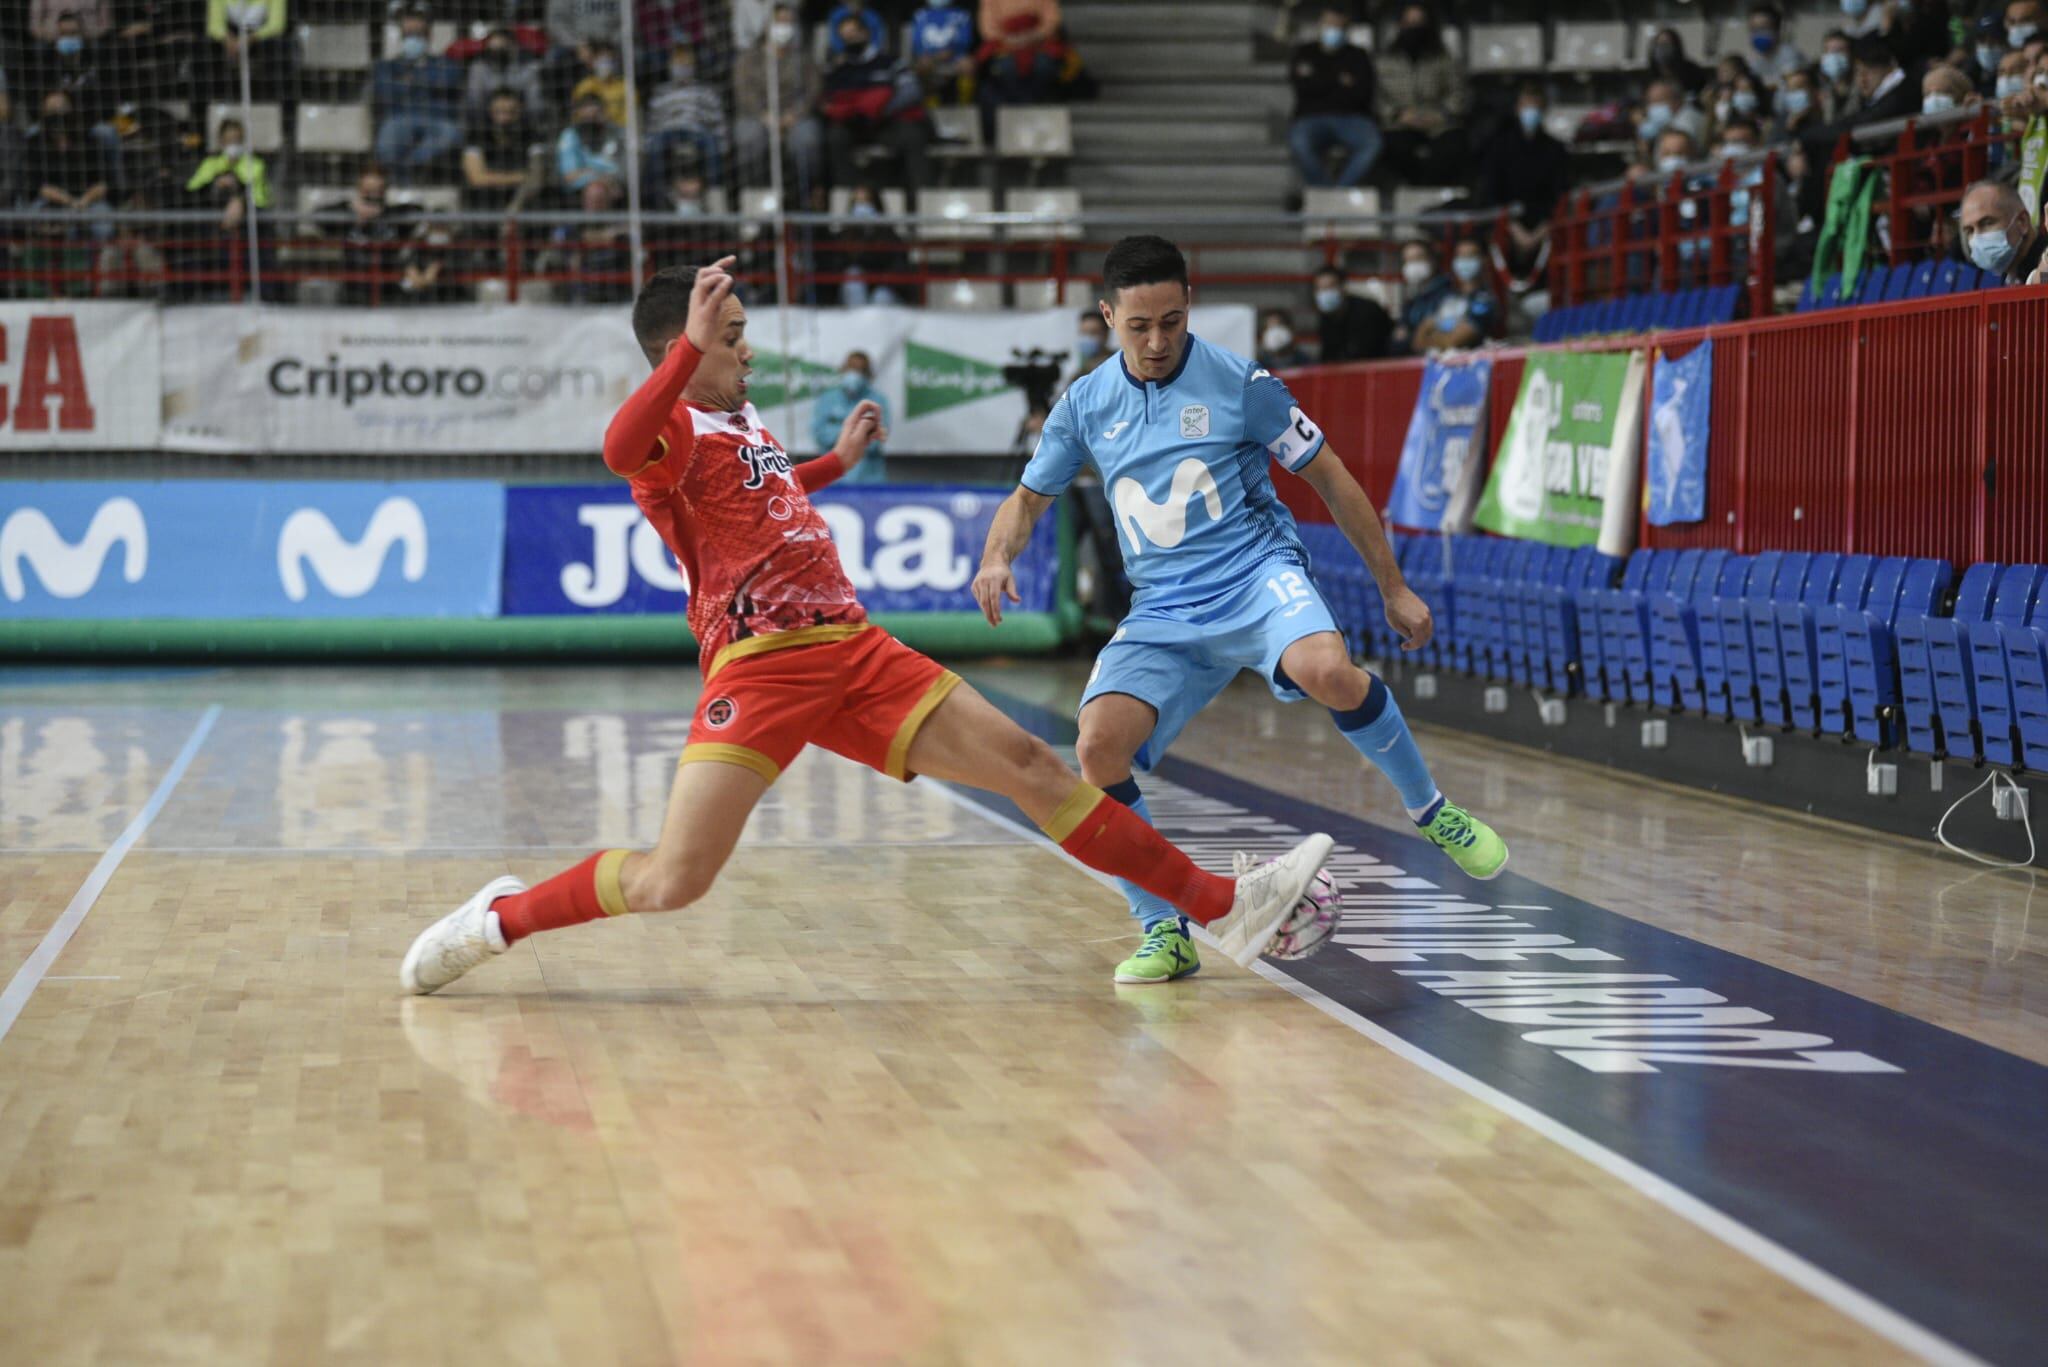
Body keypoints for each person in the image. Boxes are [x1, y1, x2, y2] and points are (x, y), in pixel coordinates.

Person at [399, 257, 1337, 994]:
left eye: (738, 335)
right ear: (679, 351)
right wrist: (686, 353)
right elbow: (614, 449)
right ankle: (503, 917)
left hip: (852, 648)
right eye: (729, 338)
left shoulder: (740, 419)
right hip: (759, 667)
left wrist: (834, 466)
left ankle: (1225, 907)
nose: (746, 350)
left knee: (1032, 767)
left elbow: (764, 497)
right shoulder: (670, 430)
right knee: (671, 881)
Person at [971, 235, 1506, 985]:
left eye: (1171, 322)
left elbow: (1333, 478)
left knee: (1328, 670)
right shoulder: (1085, 404)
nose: (1157, 342)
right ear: (1106, 317)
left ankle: (1432, 810)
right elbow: (1028, 499)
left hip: (1256, 577)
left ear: (1189, 307)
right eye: (1139, 326)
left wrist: (1393, 585)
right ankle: (1165, 930)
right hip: (1164, 608)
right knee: (1096, 749)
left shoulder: (1242, 384)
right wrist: (999, 554)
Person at [822, 14, 932, 193]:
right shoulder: (837, 70)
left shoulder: (890, 62)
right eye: (845, 35)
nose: (850, 38)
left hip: (885, 121)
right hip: (853, 125)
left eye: (854, 33)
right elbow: (828, 100)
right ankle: (851, 198)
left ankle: (921, 199)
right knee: (834, 138)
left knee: (913, 136)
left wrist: (882, 109)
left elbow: (912, 91)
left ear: (865, 33)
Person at [1476, 83, 1570, 279]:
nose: (1531, 112)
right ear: (1518, 109)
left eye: (1536, 107)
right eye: (1526, 106)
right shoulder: (1499, 148)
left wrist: (1540, 232)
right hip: (1507, 225)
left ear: (1544, 110)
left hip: (1543, 228)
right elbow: (1491, 193)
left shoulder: (1555, 150)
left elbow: (1560, 195)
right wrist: (1514, 229)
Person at [734, 4, 825, 200]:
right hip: (757, 116)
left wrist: (795, 115)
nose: (784, 27)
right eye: (780, 22)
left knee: (806, 140)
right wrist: (764, 115)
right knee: (749, 139)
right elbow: (743, 90)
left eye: (789, 22)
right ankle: (754, 196)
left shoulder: (804, 57)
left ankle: (805, 196)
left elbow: (814, 89)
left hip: (796, 117)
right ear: (768, 25)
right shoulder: (749, 58)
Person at [1287, 7, 1381, 190]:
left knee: (1372, 143)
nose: (1333, 29)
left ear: (1345, 28)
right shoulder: (1304, 52)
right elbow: (1302, 88)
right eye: (1329, 23)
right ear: (1320, 25)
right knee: (1299, 142)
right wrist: (1339, 80)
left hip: (1352, 117)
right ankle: (1325, 191)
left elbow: (1361, 93)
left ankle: (1339, 192)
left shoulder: (1358, 55)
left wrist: (1318, 79)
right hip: (1310, 118)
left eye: (1338, 25)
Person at [1376, 4, 1468, 186]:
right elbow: (1376, 96)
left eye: (1418, 23)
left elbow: (1459, 92)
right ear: (1401, 25)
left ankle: (1431, 192)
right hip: (1400, 122)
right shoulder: (1384, 61)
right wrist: (1398, 114)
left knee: (1453, 147)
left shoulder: (1444, 59)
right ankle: (1414, 190)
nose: (1413, 28)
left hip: (1437, 122)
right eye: (1409, 22)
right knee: (1393, 148)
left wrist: (1441, 114)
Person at [374, 7, 465, 182]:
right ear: (401, 38)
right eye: (409, 35)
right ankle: (404, 180)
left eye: (419, 34)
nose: (414, 40)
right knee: (387, 141)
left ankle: (407, 169)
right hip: (399, 118)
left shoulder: (447, 64)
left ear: (429, 36)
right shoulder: (386, 66)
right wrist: (426, 80)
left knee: (451, 134)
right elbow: (385, 92)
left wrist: (410, 80)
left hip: (437, 120)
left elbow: (449, 82)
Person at [644, 43, 728, 187]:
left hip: (697, 130)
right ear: (670, 66)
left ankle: (715, 192)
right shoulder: (661, 92)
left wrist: (722, 141)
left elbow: (717, 119)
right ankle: (658, 196)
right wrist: (648, 141)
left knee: (713, 146)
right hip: (668, 131)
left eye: (686, 65)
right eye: (678, 65)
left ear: (693, 67)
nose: (682, 69)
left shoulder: (705, 91)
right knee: (655, 146)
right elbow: (653, 121)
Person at [810, 349, 890, 479]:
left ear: (867, 373)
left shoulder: (877, 400)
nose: (854, 374)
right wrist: (856, 431)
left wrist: (840, 432)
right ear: (844, 369)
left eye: (860, 370)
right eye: (851, 368)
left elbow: (876, 440)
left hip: (869, 480)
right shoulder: (827, 399)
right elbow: (819, 434)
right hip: (833, 479)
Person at [1410, 236, 1499, 352]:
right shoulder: (1445, 296)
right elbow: (1417, 343)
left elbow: (1454, 341)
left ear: (1484, 259)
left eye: (1470, 256)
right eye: (1460, 256)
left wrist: (1431, 334)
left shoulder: (1485, 301)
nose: (1464, 261)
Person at [462, 89, 543, 215]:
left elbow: (537, 176)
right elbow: (476, 178)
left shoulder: (532, 136)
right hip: (486, 200)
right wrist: (519, 177)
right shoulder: (476, 136)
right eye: (499, 112)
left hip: (521, 201)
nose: (504, 119)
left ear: (520, 112)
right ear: (490, 112)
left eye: (510, 112)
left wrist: (515, 206)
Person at [185, 115, 268, 235]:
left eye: (237, 140)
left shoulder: (256, 164)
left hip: (248, 226)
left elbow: (261, 199)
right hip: (214, 227)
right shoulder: (210, 164)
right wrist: (215, 183)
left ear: (242, 140)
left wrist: (239, 199)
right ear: (221, 141)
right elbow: (192, 189)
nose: (233, 144)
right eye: (229, 140)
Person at [977, 0, 1066, 107]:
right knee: (1006, 67)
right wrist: (1010, 40)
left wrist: (1033, 36)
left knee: (1043, 65)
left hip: (1038, 42)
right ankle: (1022, 109)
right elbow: (988, 29)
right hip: (1004, 45)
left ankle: (1028, 108)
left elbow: (1052, 20)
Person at [1960, 178, 2046, 282]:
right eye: (1970, 231)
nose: (1977, 237)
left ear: (2022, 222)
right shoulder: (2010, 277)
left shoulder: (2045, 261)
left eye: (1987, 223)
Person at [558, 92, 626, 213]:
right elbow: (570, 175)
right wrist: (601, 179)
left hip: (616, 184)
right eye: (587, 112)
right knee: (596, 190)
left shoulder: (615, 133)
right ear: (578, 113)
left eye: (597, 111)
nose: (593, 115)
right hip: (584, 187)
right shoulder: (570, 136)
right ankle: (593, 228)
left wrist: (612, 180)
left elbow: (624, 167)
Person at [465, 25, 547, 123]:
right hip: (487, 121)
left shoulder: (529, 67)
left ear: (513, 47)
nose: (497, 55)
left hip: (523, 120)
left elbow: (536, 104)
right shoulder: (479, 68)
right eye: (493, 50)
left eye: (502, 49)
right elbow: (474, 102)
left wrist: (515, 109)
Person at [1311, 263, 1391, 360]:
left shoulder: (1367, 311)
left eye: (1330, 287)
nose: (1325, 293)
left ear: (1343, 287)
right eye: (1321, 289)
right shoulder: (1326, 319)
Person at [910, 0, 978, 105]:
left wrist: (952, 50)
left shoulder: (961, 14)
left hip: (954, 56)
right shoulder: (921, 15)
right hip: (931, 58)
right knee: (922, 66)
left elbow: (965, 40)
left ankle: (964, 106)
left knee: (968, 65)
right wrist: (933, 56)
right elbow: (917, 43)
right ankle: (930, 108)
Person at [1392, 238, 1449, 352]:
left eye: (1418, 258)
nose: (1413, 265)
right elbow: (1399, 335)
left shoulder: (1447, 294)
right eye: (1408, 260)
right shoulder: (1413, 299)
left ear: (1432, 260)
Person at [571, 41, 628, 127]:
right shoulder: (585, 86)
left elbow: (632, 116)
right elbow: (577, 113)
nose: (605, 63)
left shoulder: (625, 87)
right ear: (594, 61)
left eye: (609, 59)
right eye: (601, 58)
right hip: (590, 130)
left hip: (618, 130)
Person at [1745, 4, 1805, 86]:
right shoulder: (1753, 59)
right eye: (1754, 29)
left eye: (1764, 28)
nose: (1758, 33)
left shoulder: (1790, 55)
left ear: (1777, 30)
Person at [1644, 25, 1710, 95]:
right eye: (1660, 44)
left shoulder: (1693, 72)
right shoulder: (1649, 77)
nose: (1663, 48)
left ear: (1676, 46)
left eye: (1667, 44)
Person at [1072, 308, 1111, 379]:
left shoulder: (1117, 366)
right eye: (1083, 333)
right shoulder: (1081, 373)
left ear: (1106, 335)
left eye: (1093, 333)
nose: (1087, 338)